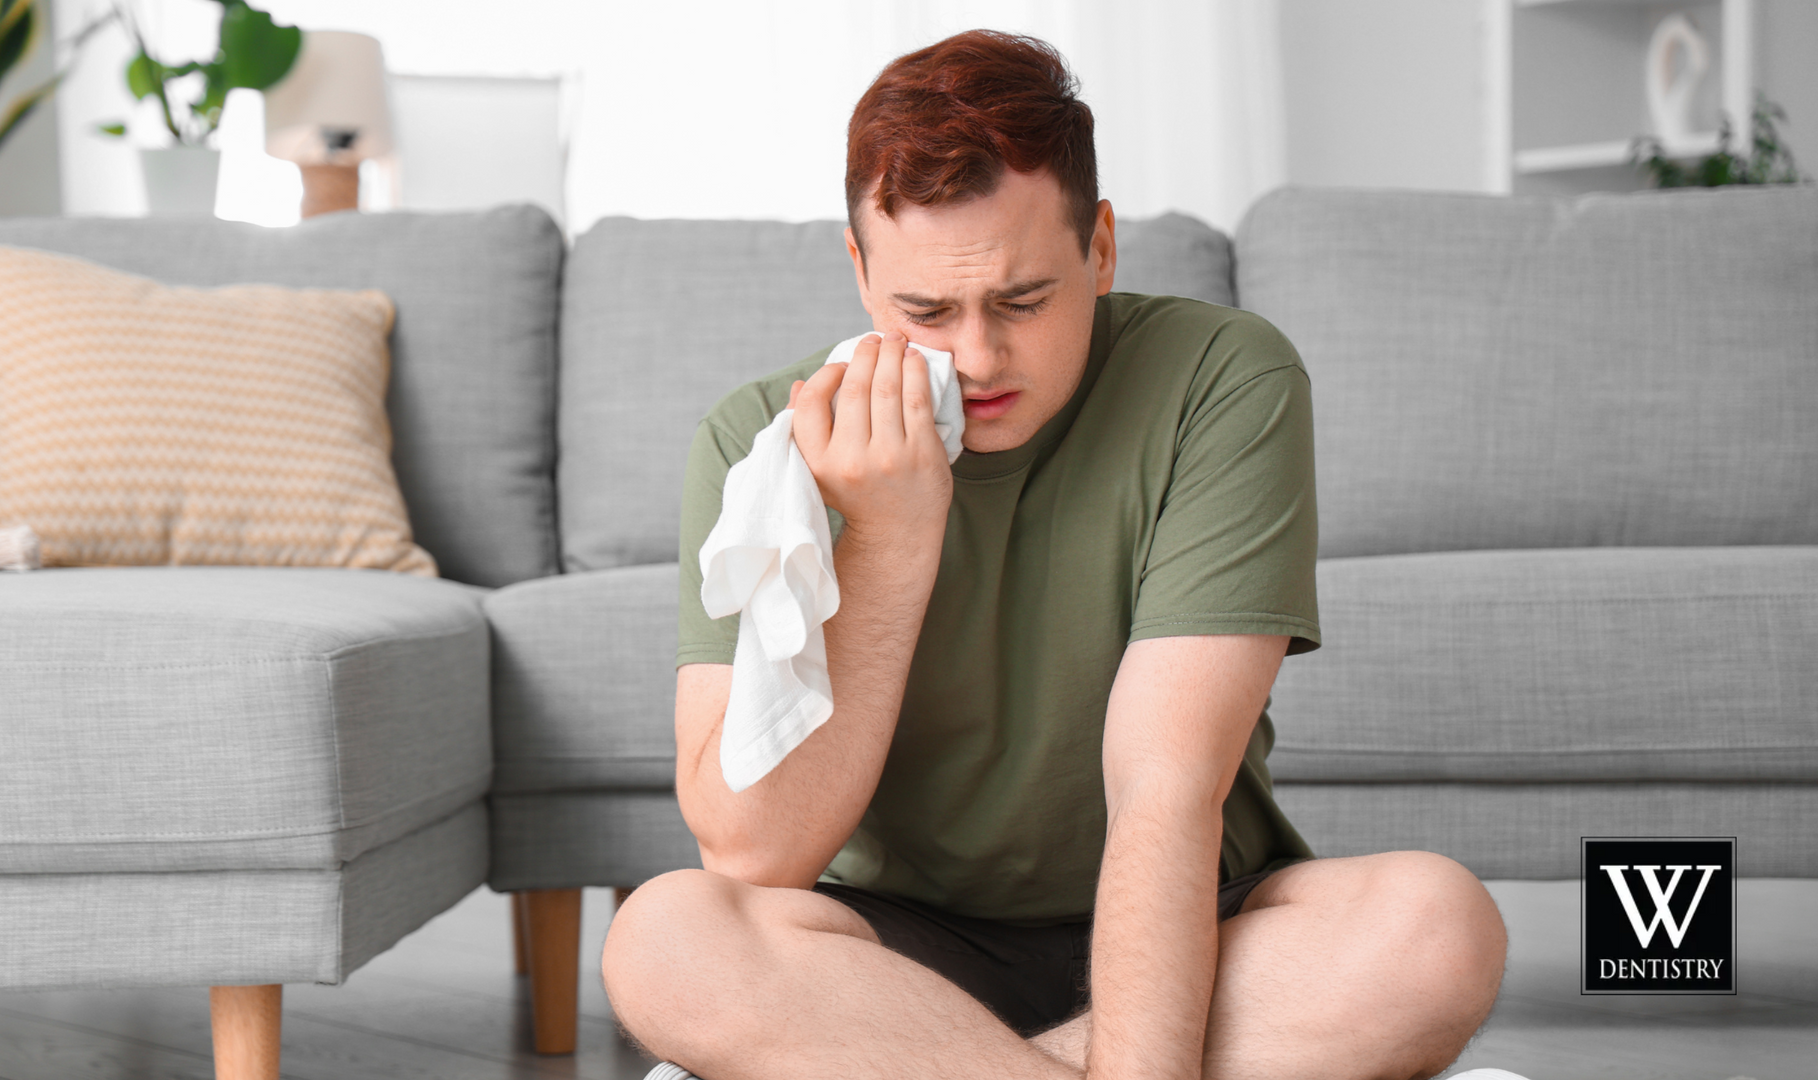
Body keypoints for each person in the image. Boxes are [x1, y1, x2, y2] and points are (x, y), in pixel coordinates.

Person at [602, 28, 1508, 1080]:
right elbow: (757, 853)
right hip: (890, 954)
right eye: (926, 312)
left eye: (1023, 302)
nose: (979, 358)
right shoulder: (759, 438)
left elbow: (1167, 784)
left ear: (1103, 249)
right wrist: (891, 542)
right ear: (859, 270)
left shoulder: (1223, 380)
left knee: (1435, 926)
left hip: (1200, 934)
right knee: (665, 938)